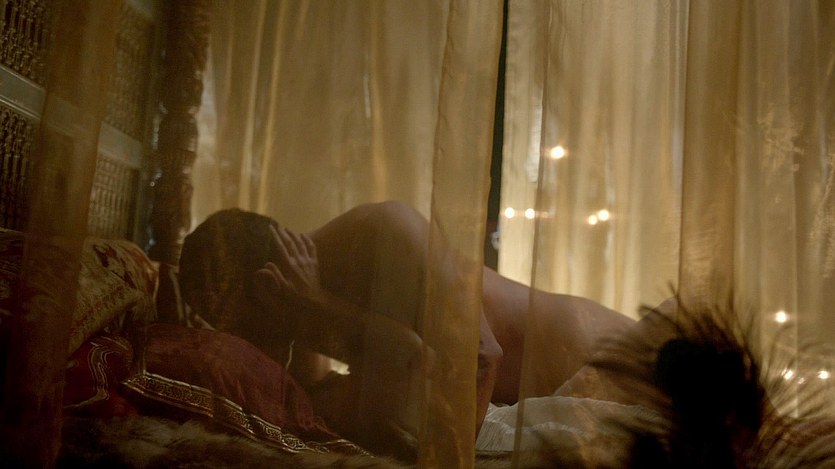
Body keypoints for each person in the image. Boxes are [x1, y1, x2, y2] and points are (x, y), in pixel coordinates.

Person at [177, 200, 635, 458]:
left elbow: (480, 357)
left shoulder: (382, 232)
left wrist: (318, 306)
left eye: (234, 327)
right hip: (539, 383)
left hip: (593, 358)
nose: (244, 345)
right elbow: (317, 400)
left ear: (265, 286)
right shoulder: (299, 303)